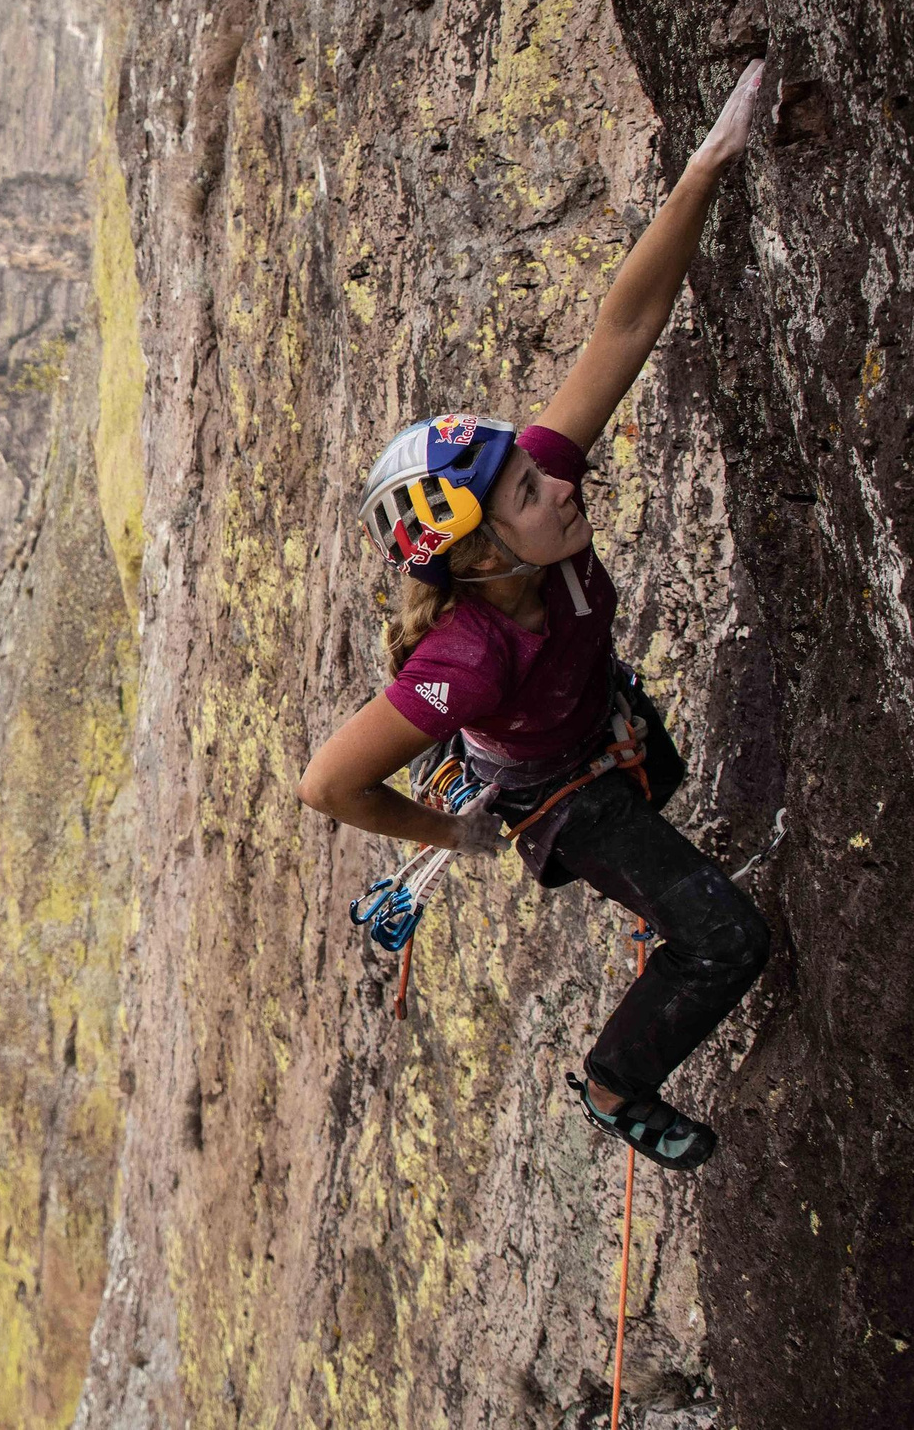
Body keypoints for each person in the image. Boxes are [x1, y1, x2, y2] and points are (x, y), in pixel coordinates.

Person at [297, 60, 772, 1172]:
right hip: (558, 799)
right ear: (474, 553)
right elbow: (327, 782)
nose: (560, 485)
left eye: (533, 470)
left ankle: (645, 885)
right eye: (523, 492)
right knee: (728, 936)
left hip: (598, 723)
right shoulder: (470, 658)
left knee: (671, 768)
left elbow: (623, 328)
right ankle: (617, 1083)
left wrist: (705, 165)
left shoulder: (531, 502)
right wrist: (452, 835)